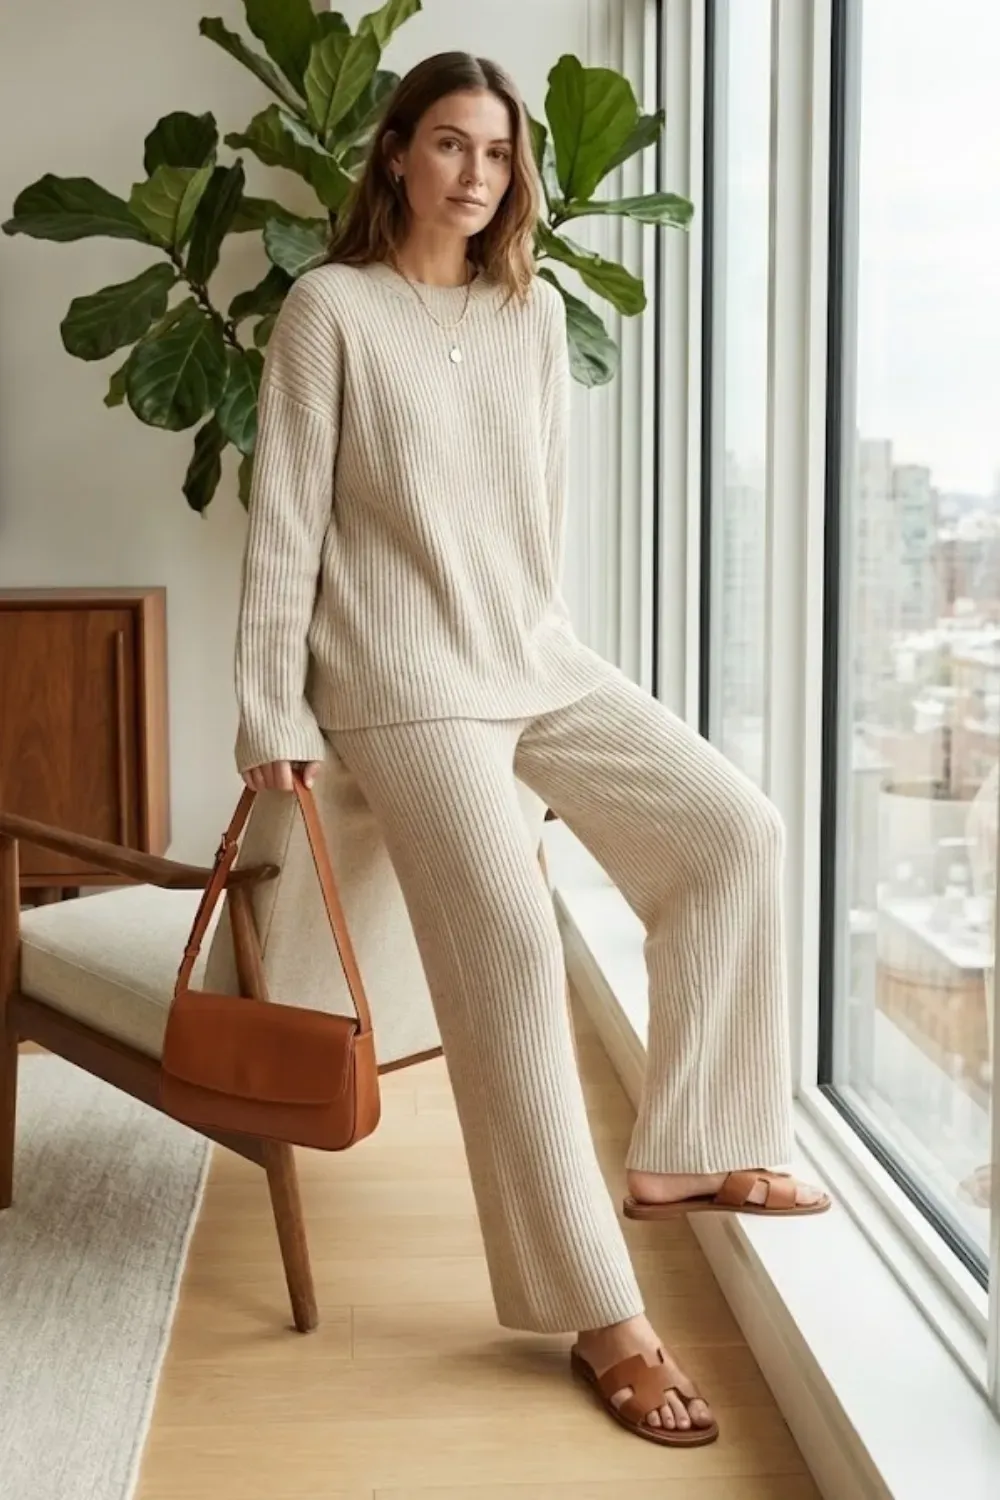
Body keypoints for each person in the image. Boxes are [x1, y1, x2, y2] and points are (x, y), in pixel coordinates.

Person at [234, 49, 830, 1450]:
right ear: (392, 156)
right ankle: (599, 1311)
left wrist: (548, 716)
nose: (477, 176)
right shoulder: (331, 310)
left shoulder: (535, 312)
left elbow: (539, 524)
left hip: (530, 656)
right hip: (398, 681)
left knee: (733, 829)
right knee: (511, 934)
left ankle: (694, 1144)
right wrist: (269, 712)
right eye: (449, 146)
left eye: (498, 155)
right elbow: (285, 532)